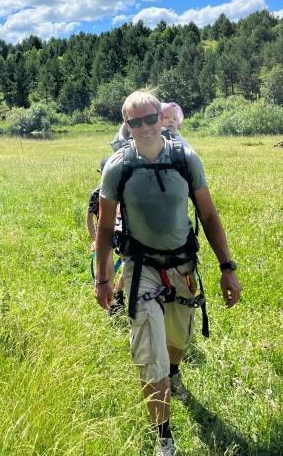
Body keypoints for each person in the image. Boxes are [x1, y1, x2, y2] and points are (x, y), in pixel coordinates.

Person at [95, 90, 241, 456]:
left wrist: (228, 269)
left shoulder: (186, 159)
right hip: (140, 267)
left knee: (177, 339)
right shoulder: (117, 166)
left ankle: (174, 372)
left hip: (182, 265)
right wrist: (103, 280)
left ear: (162, 117)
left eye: (149, 118)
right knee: (150, 353)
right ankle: (164, 439)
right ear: (126, 125)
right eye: (135, 121)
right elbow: (103, 227)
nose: (143, 127)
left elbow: (208, 215)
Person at [86, 157, 125, 315]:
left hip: (122, 233)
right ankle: (112, 304)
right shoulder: (96, 193)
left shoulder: (123, 190)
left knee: (127, 266)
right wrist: (95, 239)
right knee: (106, 270)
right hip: (104, 236)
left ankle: (117, 291)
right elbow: (89, 218)